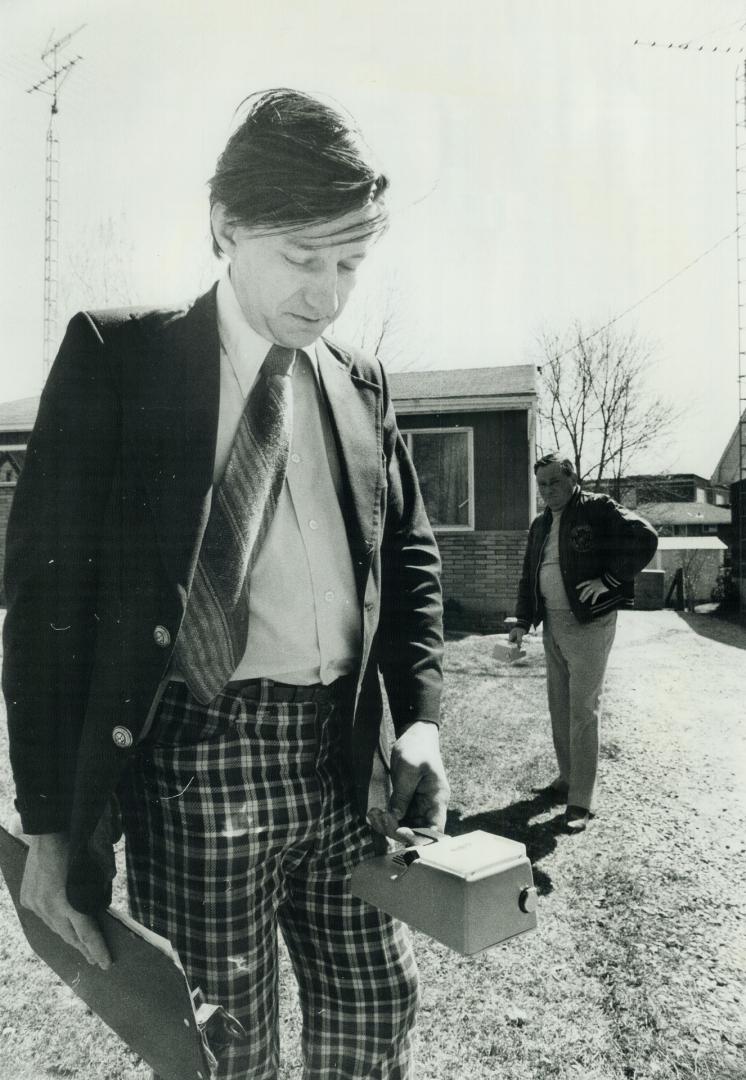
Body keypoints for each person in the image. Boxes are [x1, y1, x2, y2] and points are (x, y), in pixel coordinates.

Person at [3, 88, 449, 1080]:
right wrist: (46, 823)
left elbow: (409, 564)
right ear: (224, 223)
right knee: (219, 1048)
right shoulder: (121, 359)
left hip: (346, 763)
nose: (327, 295)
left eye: (348, 264)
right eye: (302, 258)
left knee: (373, 1014)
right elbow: (43, 603)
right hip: (195, 764)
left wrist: (417, 720)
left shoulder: (360, 384)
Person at [509, 452, 657, 832]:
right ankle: (567, 779)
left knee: (583, 710)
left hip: (590, 623)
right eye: (542, 484)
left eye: (555, 482)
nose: (548, 491)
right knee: (559, 705)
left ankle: (581, 802)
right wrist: (521, 623)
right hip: (553, 626)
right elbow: (530, 576)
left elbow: (645, 537)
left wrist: (608, 580)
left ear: (572, 478)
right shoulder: (540, 524)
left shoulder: (597, 508)